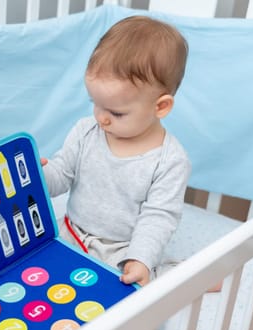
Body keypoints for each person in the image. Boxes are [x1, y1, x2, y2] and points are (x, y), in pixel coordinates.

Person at [41, 15, 191, 287]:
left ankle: (182, 275)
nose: (101, 118)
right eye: (95, 103)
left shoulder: (169, 161)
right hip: (72, 233)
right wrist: (41, 175)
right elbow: (62, 174)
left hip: (122, 250)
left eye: (116, 112)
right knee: (41, 270)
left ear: (161, 107)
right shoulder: (86, 132)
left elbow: (158, 217)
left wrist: (140, 259)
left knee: (132, 293)